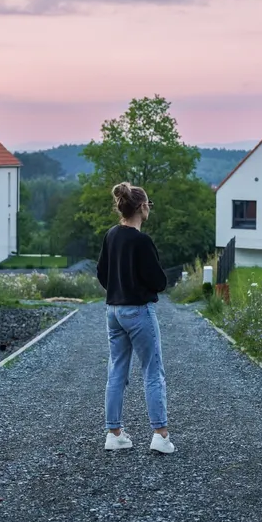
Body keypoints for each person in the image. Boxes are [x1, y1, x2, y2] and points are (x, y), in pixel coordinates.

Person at [96, 181, 175, 454]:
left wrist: (118, 289)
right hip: (139, 311)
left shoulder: (111, 235)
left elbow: (101, 273)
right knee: (152, 371)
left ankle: (114, 434)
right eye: (148, 204)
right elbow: (159, 281)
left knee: (116, 371)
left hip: (113, 311)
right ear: (142, 207)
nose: (149, 208)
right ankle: (160, 436)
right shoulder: (142, 241)